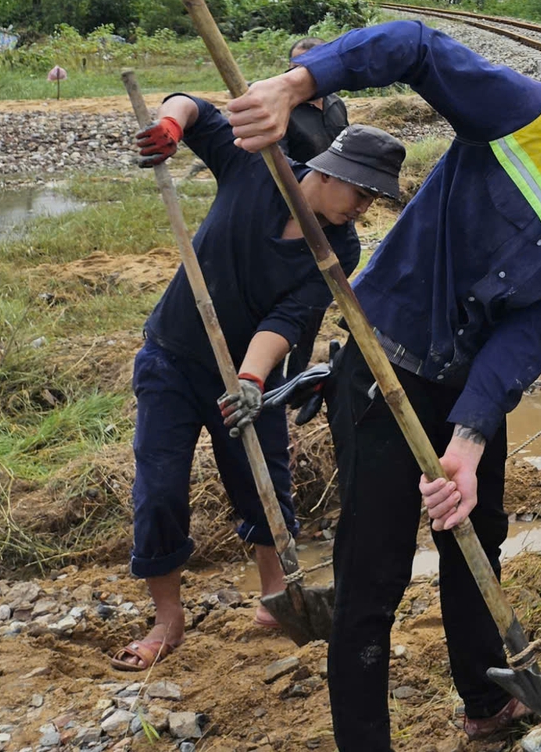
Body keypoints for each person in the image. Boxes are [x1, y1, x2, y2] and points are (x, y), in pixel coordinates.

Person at [224, 22, 541, 749]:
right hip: (382, 363)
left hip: (467, 386)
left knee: (476, 535)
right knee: (373, 569)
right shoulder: (529, 117)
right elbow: (415, 46)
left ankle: (485, 701)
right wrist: (296, 84)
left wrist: (468, 439)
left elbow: (529, 331)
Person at [115, 101, 403, 672]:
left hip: (252, 375)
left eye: (373, 199)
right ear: (330, 171)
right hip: (173, 358)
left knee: (264, 481)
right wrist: (170, 125)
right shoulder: (257, 167)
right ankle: (167, 621)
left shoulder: (339, 248)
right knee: (160, 489)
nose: (364, 207)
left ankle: (277, 597)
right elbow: (197, 110)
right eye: (361, 192)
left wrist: (249, 379)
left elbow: (289, 318)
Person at [282, 37, 349, 164]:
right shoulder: (281, 111)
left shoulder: (336, 103)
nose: (300, 77)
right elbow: (280, 163)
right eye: (296, 68)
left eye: (310, 69)